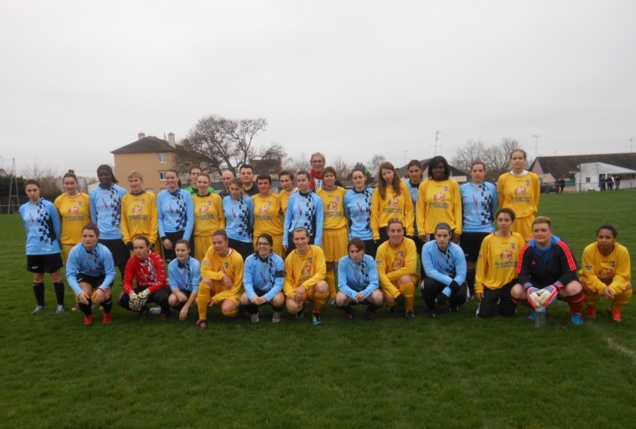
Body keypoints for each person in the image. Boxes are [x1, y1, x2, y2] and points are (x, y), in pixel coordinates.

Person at [511, 216, 585, 326]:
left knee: (574, 288)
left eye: (543, 230)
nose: (540, 233)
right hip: (538, 284)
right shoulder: (527, 249)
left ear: (551, 231)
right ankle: (537, 307)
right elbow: (522, 274)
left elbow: (570, 272)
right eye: (536, 231)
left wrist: (555, 287)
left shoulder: (561, 246)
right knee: (516, 291)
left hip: (561, 284)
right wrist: (529, 288)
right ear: (532, 233)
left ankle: (576, 312)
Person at [20, 179, 65, 314]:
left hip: (50, 247)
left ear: (39, 190)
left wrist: (57, 242)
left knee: (56, 276)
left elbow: (57, 226)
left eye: (35, 190)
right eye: (29, 190)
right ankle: (41, 305)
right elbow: (27, 228)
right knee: (37, 277)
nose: (32, 193)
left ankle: (60, 305)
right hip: (33, 248)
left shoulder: (49, 206)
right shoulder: (23, 208)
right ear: (26, 192)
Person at [474, 209, 525, 318]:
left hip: (510, 283)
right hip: (492, 284)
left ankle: (506, 302)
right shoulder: (488, 240)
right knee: (485, 315)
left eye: (507, 220)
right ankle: (485, 304)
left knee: (508, 314)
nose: (503, 223)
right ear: (496, 221)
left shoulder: (517, 238)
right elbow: (481, 264)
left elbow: (524, 260)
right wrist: (479, 286)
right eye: (500, 220)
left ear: (512, 222)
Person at [65, 223, 116, 325]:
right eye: (85, 236)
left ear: (97, 237)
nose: (87, 239)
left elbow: (111, 273)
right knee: (84, 293)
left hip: (102, 275)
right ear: (81, 237)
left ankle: (107, 313)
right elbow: (70, 274)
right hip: (85, 275)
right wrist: (78, 292)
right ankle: (88, 315)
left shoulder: (105, 252)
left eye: (91, 236)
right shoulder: (75, 251)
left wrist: (102, 288)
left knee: (104, 295)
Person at [579, 225, 632, 322]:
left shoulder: (622, 251)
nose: (604, 240)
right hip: (594, 279)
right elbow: (589, 275)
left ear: (614, 239)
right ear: (597, 238)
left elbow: (622, 275)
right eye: (601, 237)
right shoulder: (589, 250)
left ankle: (615, 309)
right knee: (585, 285)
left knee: (628, 287)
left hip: (612, 280)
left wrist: (612, 288)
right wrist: (602, 288)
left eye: (608, 237)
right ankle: (591, 307)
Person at [460, 161, 498, 294]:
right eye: (475, 170)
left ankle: (488, 289)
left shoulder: (491, 188)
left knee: (487, 262)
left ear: (484, 172)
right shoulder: (463, 188)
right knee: (470, 263)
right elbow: (460, 208)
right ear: (471, 172)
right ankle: (470, 289)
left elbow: (493, 207)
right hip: (468, 231)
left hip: (487, 230)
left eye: (480, 170)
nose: (477, 173)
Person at [196, 230, 245, 329]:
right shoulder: (211, 250)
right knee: (203, 286)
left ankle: (239, 309)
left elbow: (237, 286)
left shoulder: (237, 258)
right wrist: (222, 275)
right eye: (214, 243)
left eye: (220, 242)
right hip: (217, 287)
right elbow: (204, 271)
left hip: (231, 290)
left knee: (227, 310)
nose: (216, 246)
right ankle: (202, 319)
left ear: (227, 242)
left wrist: (216, 298)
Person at [421, 223, 469, 318]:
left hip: (453, 278)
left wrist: (446, 292)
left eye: (445, 236)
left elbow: (462, 274)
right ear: (434, 235)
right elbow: (429, 271)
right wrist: (450, 282)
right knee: (427, 285)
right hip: (436, 278)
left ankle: (453, 303)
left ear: (450, 236)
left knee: (462, 295)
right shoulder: (427, 247)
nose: (442, 239)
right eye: (439, 235)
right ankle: (431, 309)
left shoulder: (458, 250)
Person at [283, 227, 329, 325]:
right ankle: (300, 307)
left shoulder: (317, 251)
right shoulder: (289, 258)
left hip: (312, 287)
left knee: (323, 286)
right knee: (292, 307)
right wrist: (292, 294)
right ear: (293, 240)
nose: (300, 242)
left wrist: (304, 286)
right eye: (297, 239)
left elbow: (321, 273)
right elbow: (286, 280)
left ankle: (316, 310)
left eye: (303, 238)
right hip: (297, 290)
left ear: (308, 238)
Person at [89, 164, 129, 276]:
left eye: (106, 174)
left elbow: (126, 214)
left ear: (111, 175)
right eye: (100, 175)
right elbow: (93, 216)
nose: (103, 177)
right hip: (102, 237)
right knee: (103, 268)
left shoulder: (122, 192)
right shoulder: (93, 194)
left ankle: (127, 292)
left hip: (119, 236)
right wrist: (95, 235)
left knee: (124, 268)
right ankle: (105, 293)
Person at [375, 218, 419, 319]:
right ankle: (393, 305)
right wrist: (396, 294)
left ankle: (409, 309)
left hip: (408, 278)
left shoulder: (410, 243)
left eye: (399, 231)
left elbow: (411, 269)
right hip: (389, 282)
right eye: (392, 231)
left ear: (403, 231)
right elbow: (380, 274)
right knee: (390, 299)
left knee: (405, 279)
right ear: (388, 233)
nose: (396, 234)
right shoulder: (381, 248)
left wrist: (387, 276)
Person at [118, 235, 171, 318]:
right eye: (135, 248)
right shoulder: (132, 260)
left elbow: (161, 282)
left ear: (148, 247)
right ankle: (143, 309)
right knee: (122, 299)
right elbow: (126, 282)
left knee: (163, 297)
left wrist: (146, 292)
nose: (138, 251)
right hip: (142, 290)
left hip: (159, 289)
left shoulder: (157, 258)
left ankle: (165, 310)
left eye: (141, 247)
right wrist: (131, 294)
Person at [240, 234, 286, 323]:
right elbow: (247, 282)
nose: (262, 246)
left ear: (271, 246)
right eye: (259, 244)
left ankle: (276, 312)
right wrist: (253, 296)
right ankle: (254, 312)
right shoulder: (249, 260)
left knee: (278, 300)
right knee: (244, 299)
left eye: (265, 244)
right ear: (256, 245)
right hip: (256, 289)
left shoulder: (279, 261)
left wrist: (266, 297)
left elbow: (279, 284)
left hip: (272, 289)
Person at [317, 166, 348, 300]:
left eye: (331, 175)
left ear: (335, 177)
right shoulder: (318, 193)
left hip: (340, 231)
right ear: (323, 179)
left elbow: (347, 209)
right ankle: (332, 293)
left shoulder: (342, 191)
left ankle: (343, 289)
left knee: (342, 262)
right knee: (328, 263)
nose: (329, 178)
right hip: (326, 232)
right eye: (326, 176)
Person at [497, 149, 540, 242]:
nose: (517, 161)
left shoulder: (533, 177)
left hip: (527, 218)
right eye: (514, 158)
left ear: (525, 160)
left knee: (529, 245)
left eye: (520, 158)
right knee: (512, 245)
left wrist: (529, 210)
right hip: (510, 219)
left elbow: (535, 197)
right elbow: (501, 199)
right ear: (510, 161)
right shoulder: (503, 178)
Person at [417, 156, 462, 244]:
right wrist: (421, 230)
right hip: (430, 230)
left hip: (449, 230)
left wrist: (458, 229)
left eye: (441, 167)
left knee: (448, 257)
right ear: (431, 170)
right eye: (435, 167)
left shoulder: (453, 184)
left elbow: (457, 208)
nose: (438, 170)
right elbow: (420, 210)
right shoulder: (424, 185)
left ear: (445, 169)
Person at [336, 239, 384, 320]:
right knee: (339, 299)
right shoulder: (342, 261)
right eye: (352, 251)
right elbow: (342, 284)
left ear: (363, 251)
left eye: (357, 251)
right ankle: (348, 311)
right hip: (350, 291)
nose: (355, 254)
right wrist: (354, 294)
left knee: (378, 297)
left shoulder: (370, 260)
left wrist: (363, 293)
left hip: (366, 291)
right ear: (348, 252)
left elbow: (374, 282)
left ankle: (371, 310)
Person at [371, 162, 414, 245]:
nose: (387, 176)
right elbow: (374, 213)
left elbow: (408, 209)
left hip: (400, 227)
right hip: (384, 228)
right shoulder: (378, 190)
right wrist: (375, 233)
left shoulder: (403, 187)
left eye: (389, 172)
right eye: (384, 174)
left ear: (393, 172)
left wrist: (409, 229)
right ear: (381, 176)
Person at [157, 169, 194, 264]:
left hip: (182, 233)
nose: (170, 180)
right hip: (168, 235)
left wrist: (185, 239)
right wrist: (163, 237)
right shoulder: (161, 195)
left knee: (186, 263)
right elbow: (160, 217)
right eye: (168, 178)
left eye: (172, 177)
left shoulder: (186, 194)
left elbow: (190, 217)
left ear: (178, 178)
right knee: (172, 264)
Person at [54, 170, 91, 264]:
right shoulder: (59, 200)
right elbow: (57, 223)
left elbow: (93, 220)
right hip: (67, 242)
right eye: (66, 183)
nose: (69, 186)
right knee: (71, 270)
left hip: (86, 240)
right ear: (63, 184)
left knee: (87, 268)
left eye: (72, 183)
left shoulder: (86, 198)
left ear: (77, 183)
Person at [283, 170, 324, 253]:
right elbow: (288, 219)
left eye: (303, 180)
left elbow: (319, 222)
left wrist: (317, 243)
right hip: (293, 237)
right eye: (298, 181)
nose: (301, 183)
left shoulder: (316, 199)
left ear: (309, 181)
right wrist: (285, 240)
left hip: (309, 237)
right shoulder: (292, 198)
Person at [120, 170, 158, 251]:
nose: (134, 183)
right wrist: (127, 240)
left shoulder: (150, 196)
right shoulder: (125, 199)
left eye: (136, 180)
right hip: (134, 240)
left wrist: (152, 239)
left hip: (149, 238)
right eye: (131, 181)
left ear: (142, 181)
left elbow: (154, 219)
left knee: (153, 263)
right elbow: (123, 221)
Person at [344, 167, 376, 258]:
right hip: (355, 236)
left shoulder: (373, 193)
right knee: (356, 266)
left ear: (365, 177)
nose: (358, 180)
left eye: (360, 177)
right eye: (355, 178)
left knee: (371, 264)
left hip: (371, 236)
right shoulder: (347, 197)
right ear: (352, 180)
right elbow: (348, 216)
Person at [192, 172, 224, 262]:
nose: (202, 185)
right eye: (200, 182)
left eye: (205, 182)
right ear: (196, 183)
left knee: (216, 262)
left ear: (209, 184)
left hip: (213, 237)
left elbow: (221, 217)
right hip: (198, 238)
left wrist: (220, 235)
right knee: (202, 264)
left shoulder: (216, 198)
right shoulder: (192, 199)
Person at [167, 240, 201, 321]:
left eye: (183, 250)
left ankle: (201, 313)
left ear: (188, 250)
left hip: (194, 291)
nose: (180, 253)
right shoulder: (171, 265)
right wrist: (178, 293)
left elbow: (196, 287)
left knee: (199, 301)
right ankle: (183, 311)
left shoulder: (195, 264)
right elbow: (172, 283)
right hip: (182, 290)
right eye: (177, 250)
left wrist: (186, 306)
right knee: (172, 300)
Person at [252, 174, 284, 257]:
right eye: (260, 183)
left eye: (265, 183)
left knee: (276, 263)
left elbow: (285, 215)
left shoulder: (278, 198)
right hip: (258, 236)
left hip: (275, 236)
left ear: (270, 185)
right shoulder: (252, 199)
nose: (263, 185)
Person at [222, 177, 255, 260]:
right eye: (231, 189)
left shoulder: (248, 200)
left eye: (236, 189)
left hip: (244, 238)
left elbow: (251, 219)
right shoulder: (225, 200)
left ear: (241, 188)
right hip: (229, 237)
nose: (233, 192)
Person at [406, 160, 424, 255]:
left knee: (424, 258)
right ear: (408, 172)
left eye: (416, 170)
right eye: (411, 171)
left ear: (421, 170)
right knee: (409, 258)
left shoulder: (426, 186)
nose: (414, 174)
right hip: (410, 229)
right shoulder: (404, 188)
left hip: (424, 228)